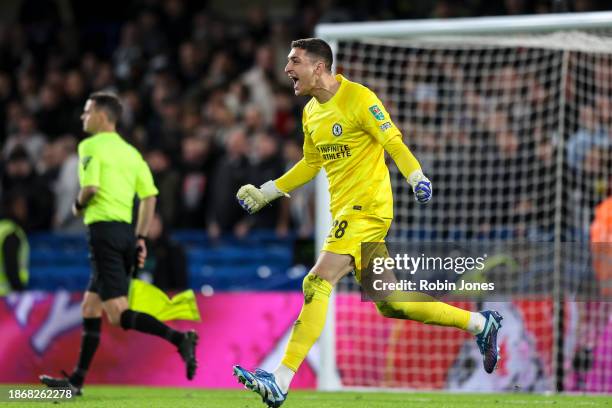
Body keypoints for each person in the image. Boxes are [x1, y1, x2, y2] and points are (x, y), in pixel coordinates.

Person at [233, 38, 503, 407]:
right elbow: (312, 163)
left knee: (317, 279)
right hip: (345, 213)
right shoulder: (311, 111)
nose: (286, 69)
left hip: (368, 209)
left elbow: (392, 142)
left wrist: (415, 176)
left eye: (294, 61)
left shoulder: (359, 98)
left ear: (318, 66)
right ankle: (480, 324)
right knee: (392, 302)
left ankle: (280, 378)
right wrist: (269, 191)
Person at [39, 92, 198, 395]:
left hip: (104, 234)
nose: (83, 117)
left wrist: (75, 206)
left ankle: (181, 339)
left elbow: (90, 189)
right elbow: (150, 197)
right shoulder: (131, 153)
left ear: (101, 115)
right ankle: (75, 383)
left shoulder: (90, 145)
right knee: (90, 305)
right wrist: (140, 237)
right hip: (125, 233)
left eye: (87, 112)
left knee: (118, 315)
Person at [0, 190, 29, 295]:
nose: (24, 209)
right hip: (6, 296)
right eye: (21, 205)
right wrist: (20, 291)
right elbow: (11, 268)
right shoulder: (11, 232)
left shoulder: (2, 228)